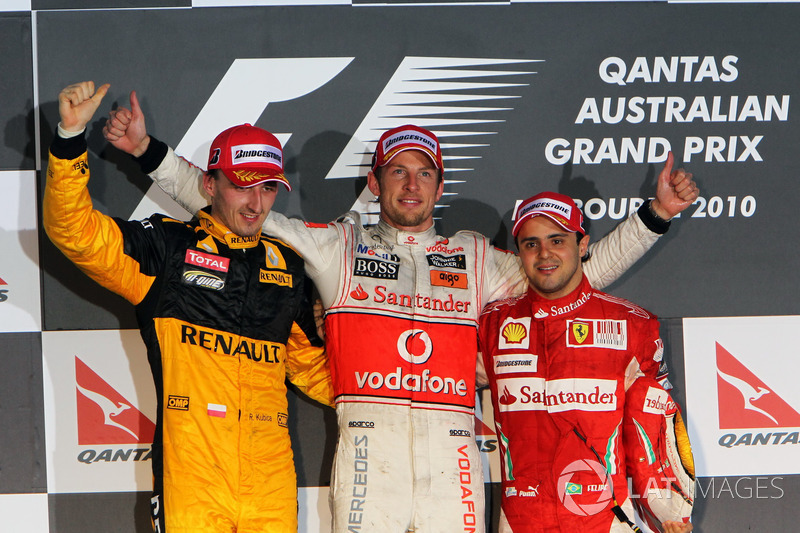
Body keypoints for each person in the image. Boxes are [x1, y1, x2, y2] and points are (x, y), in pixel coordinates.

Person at [104, 97, 698, 532]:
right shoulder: (338, 247)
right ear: (376, 180)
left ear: (440, 187)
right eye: (398, 172)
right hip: (368, 451)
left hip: (453, 458)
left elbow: (569, 271)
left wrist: (655, 216)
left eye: (424, 174)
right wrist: (148, 154)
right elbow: (235, 207)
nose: (411, 186)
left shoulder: (473, 257)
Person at [44, 81, 334, 533]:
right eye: (242, 186)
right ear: (209, 183)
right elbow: (75, 233)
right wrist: (69, 140)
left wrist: (409, 393)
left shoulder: (289, 268)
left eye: (268, 189)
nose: (256, 203)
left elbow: (315, 370)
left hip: (271, 482)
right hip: (193, 476)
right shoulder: (167, 249)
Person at [477, 192, 695, 532]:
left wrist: (670, 510)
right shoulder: (491, 325)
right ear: (518, 252)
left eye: (557, 240)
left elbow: (654, 422)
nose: (544, 253)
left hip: (606, 519)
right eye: (531, 244)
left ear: (582, 246)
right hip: (521, 519)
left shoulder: (632, 325)